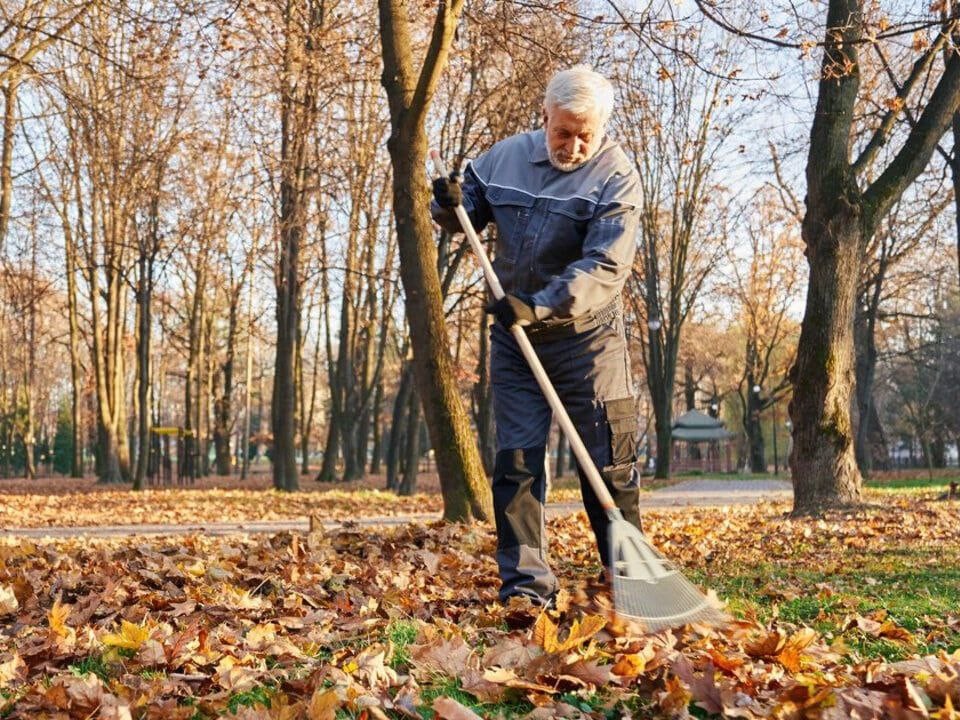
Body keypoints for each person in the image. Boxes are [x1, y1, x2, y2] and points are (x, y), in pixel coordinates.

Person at [431, 65, 643, 606]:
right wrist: (449, 203)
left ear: (602, 130)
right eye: (562, 131)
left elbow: (605, 266)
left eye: (584, 135)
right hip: (514, 344)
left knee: (608, 464)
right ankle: (527, 588)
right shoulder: (503, 158)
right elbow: (465, 214)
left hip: (587, 342)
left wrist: (541, 305)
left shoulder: (616, 177)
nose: (572, 145)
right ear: (544, 115)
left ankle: (632, 580)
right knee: (518, 463)